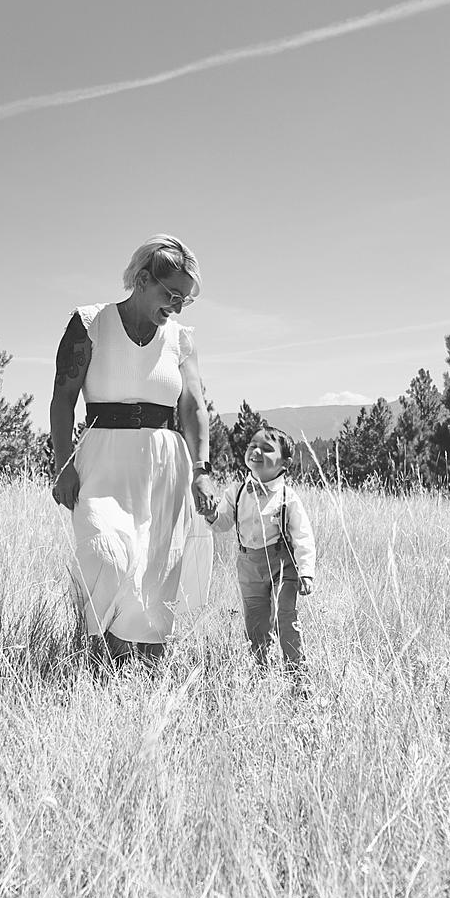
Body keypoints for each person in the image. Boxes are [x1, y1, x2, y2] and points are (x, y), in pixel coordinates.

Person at [50, 235, 217, 668]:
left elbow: (194, 406)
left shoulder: (181, 339)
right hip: (102, 459)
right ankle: (104, 653)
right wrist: (63, 465)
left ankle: (140, 674)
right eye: (172, 294)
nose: (177, 307)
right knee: (105, 554)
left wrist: (202, 470)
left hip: (165, 465)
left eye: (185, 299)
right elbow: (63, 398)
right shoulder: (90, 323)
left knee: (157, 572)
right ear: (143, 280)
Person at [207, 425, 315, 688]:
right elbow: (223, 523)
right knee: (255, 620)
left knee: (284, 615)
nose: (256, 451)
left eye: (267, 449)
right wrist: (211, 514)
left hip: (282, 566)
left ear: (285, 463)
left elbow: (302, 536)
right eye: (252, 446)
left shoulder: (288, 497)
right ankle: (261, 672)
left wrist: (306, 571)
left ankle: (296, 673)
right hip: (249, 566)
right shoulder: (237, 491)